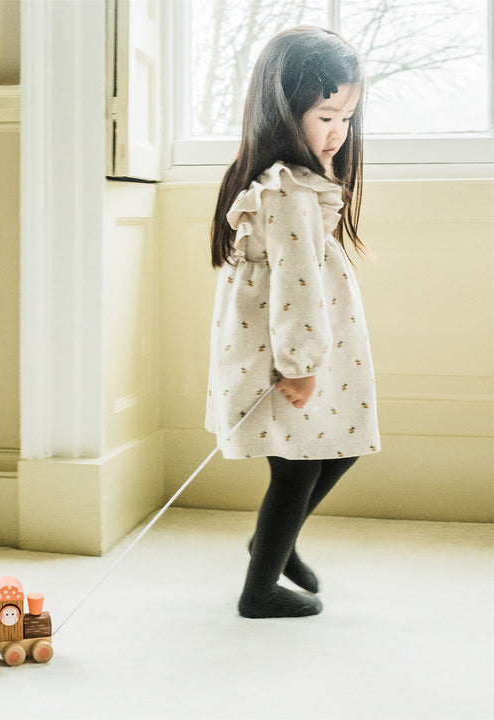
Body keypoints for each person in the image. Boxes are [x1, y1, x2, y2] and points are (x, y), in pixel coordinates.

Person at [205, 26, 380, 618]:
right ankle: (259, 589)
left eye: (347, 118)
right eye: (326, 116)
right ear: (283, 114)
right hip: (286, 349)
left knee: (335, 448)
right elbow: (294, 284)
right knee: (297, 465)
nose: (339, 132)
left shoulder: (299, 184)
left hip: (304, 345)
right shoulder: (286, 192)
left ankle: (272, 542)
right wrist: (299, 364)